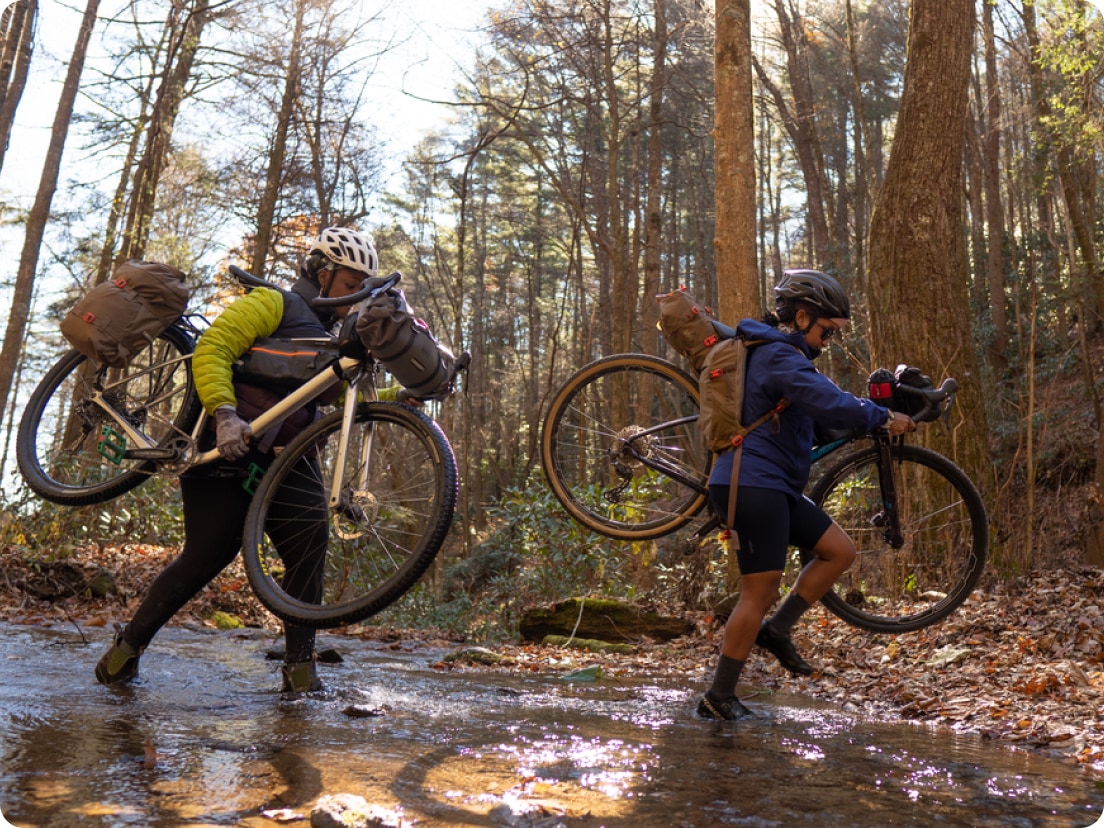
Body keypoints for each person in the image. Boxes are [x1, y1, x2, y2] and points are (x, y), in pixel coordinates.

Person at [95, 227, 384, 694]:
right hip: (227, 444)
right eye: (350, 286)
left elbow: (342, 401)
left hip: (288, 458)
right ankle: (124, 653)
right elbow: (213, 349)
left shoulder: (335, 341)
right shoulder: (274, 304)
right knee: (208, 555)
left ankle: (300, 675)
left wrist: (399, 400)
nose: (355, 299)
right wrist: (226, 416)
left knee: (310, 550)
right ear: (322, 274)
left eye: (360, 291)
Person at [697, 269, 915, 721]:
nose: (829, 341)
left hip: (771, 483)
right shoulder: (778, 355)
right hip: (750, 483)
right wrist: (877, 416)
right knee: (757, 591)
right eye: (827, 332)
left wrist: (871, 420)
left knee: (839, 550)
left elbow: (817, 419)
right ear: (801, 317)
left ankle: (777, 630)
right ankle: (718, 697)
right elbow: (824, 398)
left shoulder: (785, 357)